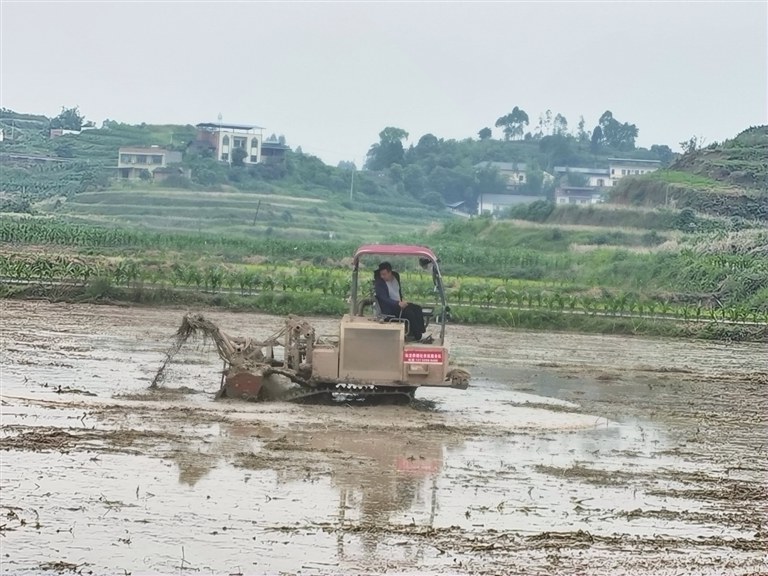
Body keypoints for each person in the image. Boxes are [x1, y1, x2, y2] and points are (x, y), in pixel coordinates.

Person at [374, 261, 425, 341]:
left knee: (417, 308)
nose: (382, 276)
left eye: (384, 274)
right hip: (390, 307)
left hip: (399, 303)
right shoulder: (379, 283)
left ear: (390, 272)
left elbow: (398, 291)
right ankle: (417, 335)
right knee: (409, 313)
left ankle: (421, 330)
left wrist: (401, 301)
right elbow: (383, 298)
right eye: (381, 274)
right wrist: (397, 303)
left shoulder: (396, 277)